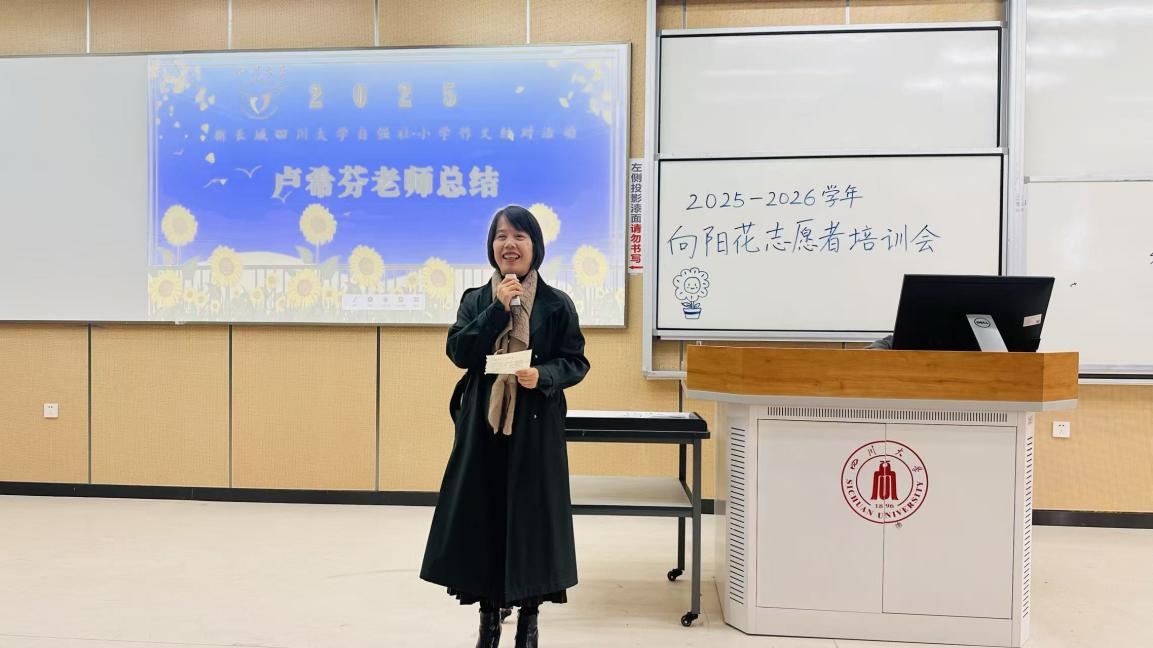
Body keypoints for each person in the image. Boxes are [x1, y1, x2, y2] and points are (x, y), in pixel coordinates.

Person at [420, 205, 591, 648]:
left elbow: (575, 361)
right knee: (485, 521)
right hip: (484, 427)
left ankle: (529, 623)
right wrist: (496, 310)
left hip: (535, 428)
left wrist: (544, 375)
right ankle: (489, 622)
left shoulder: (556, 303)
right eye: (501, 236)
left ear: (535, 246)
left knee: (532, 525)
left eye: (519, 236)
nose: (509, 244)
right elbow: (459, 351)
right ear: (491, 246)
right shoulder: (476, 299)